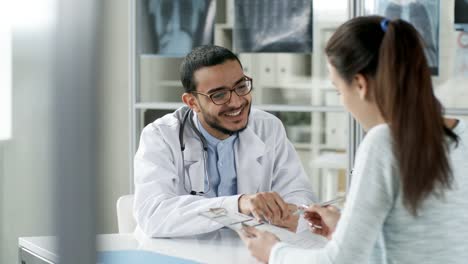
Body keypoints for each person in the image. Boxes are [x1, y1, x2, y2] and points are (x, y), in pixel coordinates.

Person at [240, 16, 468, 264]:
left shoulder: (383, 143)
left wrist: (273, 251)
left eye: (339, 90)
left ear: (360, 84)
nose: (343, 101)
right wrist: (344, 229)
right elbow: (429, 241)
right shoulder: (463, 132)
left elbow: (340, 261)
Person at [133, 45, 316, 237]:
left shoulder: (269, 128)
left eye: (241, 86)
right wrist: (238, 204)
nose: (236, 102)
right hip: (176, 252)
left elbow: (299, 193)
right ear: (192, 103)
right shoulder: (160, 136)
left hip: (247, 250)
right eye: (219, 95)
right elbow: (153, 215)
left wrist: (289, 211)